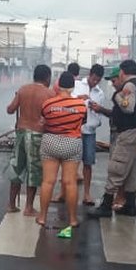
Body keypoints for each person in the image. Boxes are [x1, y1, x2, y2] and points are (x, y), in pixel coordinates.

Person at [87, 60, 136, 219]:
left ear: (122, 72)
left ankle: (106, 205)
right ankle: (130, 204)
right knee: (131, 172)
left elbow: (128, 107)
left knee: (117, 168)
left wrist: (117, 97)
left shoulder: (129, 87)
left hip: (128, 133)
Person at [36, 72, 88, 236]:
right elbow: (83, 122)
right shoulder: (81, 105)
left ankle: (43, 217)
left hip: (50, 141)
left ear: (58, 85)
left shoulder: (48, 104)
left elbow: (43, 121)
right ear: (72, 86)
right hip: (72, 143)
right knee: (70, 182)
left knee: (48, 181)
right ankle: (72, 219)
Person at [6, 64, 52, 216]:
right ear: (47, 77)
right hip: (37, 135)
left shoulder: (23, 89)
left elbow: (10, 109)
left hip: (21, 132)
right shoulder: (49, 94)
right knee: (34, 171)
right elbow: (51, 117)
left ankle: (12, 204)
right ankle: (29, 207)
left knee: (17, 169)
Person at [81, 64, 106, 206]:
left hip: (90, 131)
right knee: (71, 163)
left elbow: (100, 114)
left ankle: (87, 194)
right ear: (90, 75)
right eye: (94, 79)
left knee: (88, 163)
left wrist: (97, 109)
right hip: (76, 130)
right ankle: (64, 193)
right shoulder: (78, 85)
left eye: (98, 80)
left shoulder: (100, 93)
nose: (95, 82)